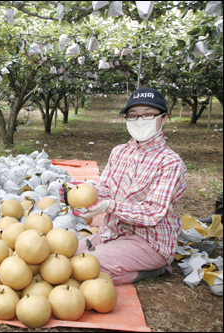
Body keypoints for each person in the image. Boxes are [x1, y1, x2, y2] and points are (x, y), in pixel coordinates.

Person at [72, 87, 188, 285]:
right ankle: (114, 253)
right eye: (133, 116)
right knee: (65, 256)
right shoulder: (119, 152)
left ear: (164, 118)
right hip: (113, 233)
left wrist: (110, 206)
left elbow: (152, 213)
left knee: (84, 269)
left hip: (149, 241)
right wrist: (81, 193)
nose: (139, 120)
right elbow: (106, 189)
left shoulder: (170, 162)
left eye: (148, 115)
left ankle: (154, 269)